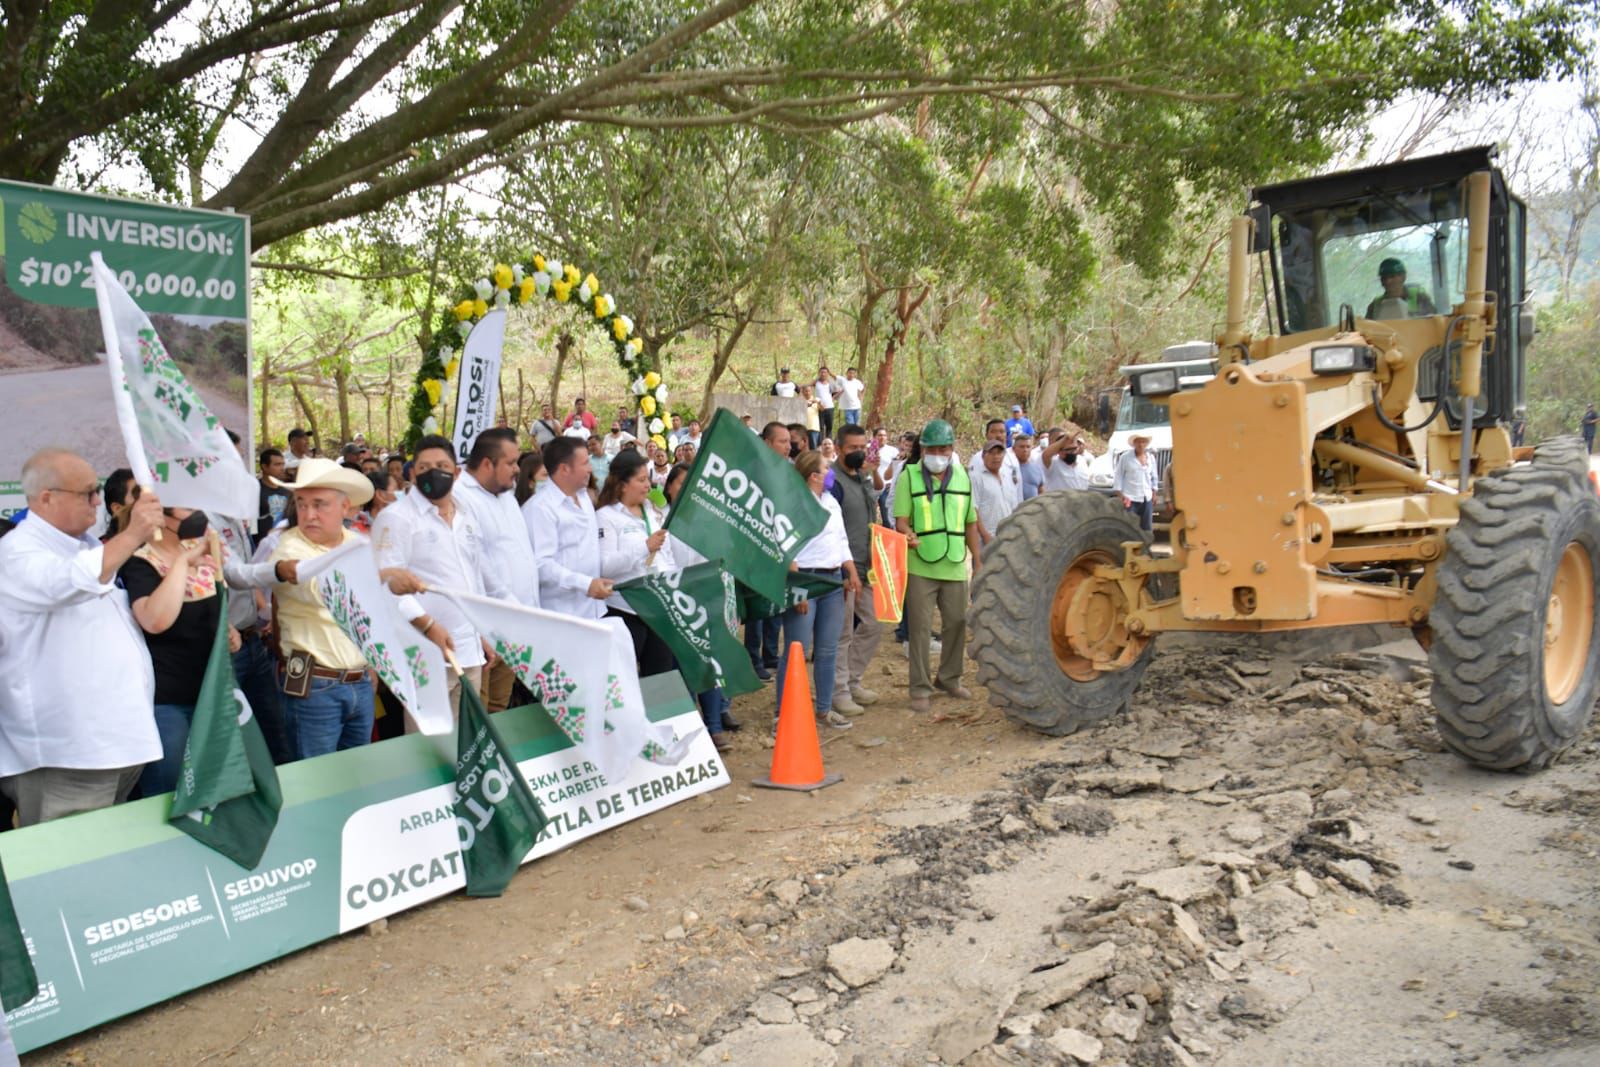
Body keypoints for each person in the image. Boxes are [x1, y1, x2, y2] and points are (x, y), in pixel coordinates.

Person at [0, 449, 164, 825]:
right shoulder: (16, 552)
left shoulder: (86, 545)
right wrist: (134, 533)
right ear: (47, 497)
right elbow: (68, 581)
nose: (97, 501)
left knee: (99, 865)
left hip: (113, 743)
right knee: (64, 870)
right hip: (67, 754)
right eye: (88, 493)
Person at [269, 459, 409, 758]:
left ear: (345, 508)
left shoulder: (358, 543)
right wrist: (384, 577)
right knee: (316, 781)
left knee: (357, 776)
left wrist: (372, 662)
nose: (309, 515)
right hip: (315, 686)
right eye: (302, 504)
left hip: (358, 681)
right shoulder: (288, 549)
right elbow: (322, 590)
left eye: (320, 505)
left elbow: (371, 613)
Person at [372, 434, 491, 716]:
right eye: (424, 468)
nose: (433, 473)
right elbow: (386, 583)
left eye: (441, 466)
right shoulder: (396, 518)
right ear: (411, 473)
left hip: (469, 649)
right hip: (426, 655)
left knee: (470, 741)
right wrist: (427, 625)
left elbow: (474, 578)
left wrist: (483, 630)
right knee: (432, 748)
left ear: (457, 472)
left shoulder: (466, 515)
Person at [120, 504, 229, 797]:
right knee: (169, 789)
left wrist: (230, 635)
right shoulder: (140, 563)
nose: (196, 513)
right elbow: (155, 620)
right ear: (160, 516)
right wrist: (182, 563)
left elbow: (216, 616)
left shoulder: (203, 555)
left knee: (210, 789)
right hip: (166, 701)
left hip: (211, 696)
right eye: (185, 507)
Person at [893, 419, 980, 714]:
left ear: (952, 449)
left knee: (956, 623)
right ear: (923, 449)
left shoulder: (963, 478)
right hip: (921, 565)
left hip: (955, 564)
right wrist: (907, 534)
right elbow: (901, 521)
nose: (938, 454)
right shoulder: (909, 477)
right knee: (919, 628)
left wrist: (977, 560)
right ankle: (919, 687)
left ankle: (949, 678)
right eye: (932, 448)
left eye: (944, 448)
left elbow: (970, 523)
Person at [455, 428, 539, 712]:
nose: (517, 469)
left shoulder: (505, 493)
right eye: (511, 462)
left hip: (514, 625)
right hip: (484, 628)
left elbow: (518, 552)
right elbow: (477, 563)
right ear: (488, 464)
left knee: (499, 708)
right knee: (479, 711)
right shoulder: (460, 497)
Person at [779, 451, 860, 731]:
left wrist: (850, 569)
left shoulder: (831, 502)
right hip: (806, 579)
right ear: (813, 475)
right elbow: (786, 546)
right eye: (826, 467)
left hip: (832, 580)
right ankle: (784, 714)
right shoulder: (794, 504)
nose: (831, 471)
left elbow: (841, 540)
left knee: (827, 650)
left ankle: (824, 710)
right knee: (796, 650)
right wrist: (796, 587)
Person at [663, 464, 737, 751]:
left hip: (708, 597)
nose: (685, 489)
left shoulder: (708, 520)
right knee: (684, 666)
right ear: (669, 487)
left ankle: (714, 726)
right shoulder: (661, 521)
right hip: (678, 599)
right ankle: (687, 726)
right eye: (680, 483)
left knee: (710, 662)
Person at [595, 450, 677, 675]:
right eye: (641, 480)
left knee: (660, 678)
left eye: (647, 480)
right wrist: (644, 548)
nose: (647, 486)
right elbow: (606, 566)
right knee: (624, 678)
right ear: (622, 484)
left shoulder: (652, 512)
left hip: (659, 608)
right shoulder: (606, 516)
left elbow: (666, 556)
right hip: (626, 609)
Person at [828, 424, 883, 715]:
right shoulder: (832, 482)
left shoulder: (862, 477)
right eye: (852, 448)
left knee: (874, 624)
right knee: (843, 633)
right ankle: (838, 692)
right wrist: (846, 569)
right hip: (842, 570)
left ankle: (852, 680)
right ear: (838, 449)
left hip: (867, 566)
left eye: (862, 447)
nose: (858, 452)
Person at [527, 436, 613, 619]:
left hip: (593, 609)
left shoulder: (583, 497)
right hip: (563, 614)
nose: (590, 468)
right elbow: (542, 565)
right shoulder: (541, 508)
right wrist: (585, 583)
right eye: (585, 463)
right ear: (565, 469)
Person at [744, 422, 793, 679]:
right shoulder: (753, 471)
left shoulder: (788, 471)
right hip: (755, 547)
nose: (787, 446)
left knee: (777, 603)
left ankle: (771, 654)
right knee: (758, 609)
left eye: (789, 442)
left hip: (780, 547)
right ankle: (753, 660)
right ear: (766, 442)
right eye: (781, 441)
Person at [972, 440, 1017, 544]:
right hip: (987, 538)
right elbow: (973, 510)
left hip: (1008, 537)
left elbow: (1014, 506)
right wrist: (985, 535)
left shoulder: (1007, 477)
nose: (996, 457)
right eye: (991, 453)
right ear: (983, 456)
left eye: (999, 453)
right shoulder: (976, 478)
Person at [1366, 257, 1437, 320]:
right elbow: (1366, 329)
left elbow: (1434, 323)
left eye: (1392, 276)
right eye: (1384, 277)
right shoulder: (1375, 305)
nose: (1388, 281)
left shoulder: (1419, 298)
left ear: (1403, 277)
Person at [1114, 433, 1158, 531]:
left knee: (1147, 528)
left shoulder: (1150, 458)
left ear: (1146, 444)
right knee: (1129, 528)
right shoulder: (1125, 458)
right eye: (1138, 442)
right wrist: (1121, 496)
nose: (1141, 445)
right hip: (1130, 498)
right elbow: (1118, 477)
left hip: (1146, 497)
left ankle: (1146, 546)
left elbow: (1154, 477)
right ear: (1134, 444)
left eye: (1143, 442)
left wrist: (1154, 493)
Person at [967, 418, 1020, 495]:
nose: (998, 435)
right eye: (993, 432)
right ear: (986, 435)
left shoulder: (1012, 458)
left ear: (1006, 435)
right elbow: (973, 491)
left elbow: (1018, 490)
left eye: (1002, 432)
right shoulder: (977, 459)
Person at [257, 449, 291, 542]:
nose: (282, 468)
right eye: (277, 464)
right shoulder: (254, 490)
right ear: (264, 466)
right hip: (262, 545)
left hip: (283, 543)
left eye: (283, 464)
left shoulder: (287, 491)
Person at [1014, 435, 1044, 501]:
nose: (1025, 450)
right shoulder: (1009, 468)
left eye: (1028, 447)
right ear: (1014, 449)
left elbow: (1041, 492)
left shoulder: (1037, 468)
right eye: (1022, 447)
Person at [814, 367, 837, 440]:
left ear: (827, 374)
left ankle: (829, 443)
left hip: (830, 407)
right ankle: (820, 445)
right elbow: (807, 386)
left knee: (829, 427)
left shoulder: (831, 382)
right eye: (821, 372)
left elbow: (838, 391)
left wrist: (833, 398)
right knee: (820, 427)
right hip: (819, 407)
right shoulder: (816, 382)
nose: (823, 374)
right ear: (819, 373)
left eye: (825, 372)